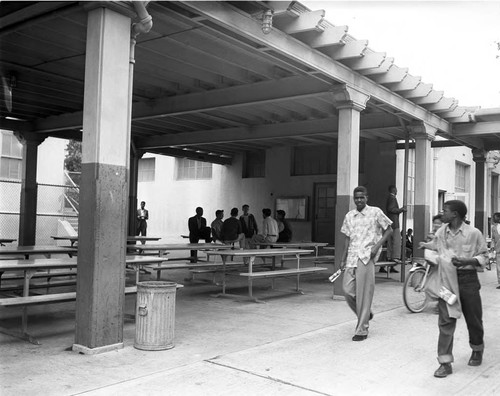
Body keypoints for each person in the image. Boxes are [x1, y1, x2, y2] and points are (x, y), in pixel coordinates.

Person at [419, 200, 487, 378]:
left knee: (473, 319)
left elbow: (484, 256)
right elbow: (436, 246)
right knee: (446, 321)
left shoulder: (474, 233)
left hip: (468, 281)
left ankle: (477, 349)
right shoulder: (442, 232)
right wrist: (426, 246)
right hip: (447, 282)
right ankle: (445, 362)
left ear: (455, 214)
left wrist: (467, 261)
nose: (442, 214)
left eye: (445, 211)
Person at [340, 186, 392, 341]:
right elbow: (347, 238)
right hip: (351, 257)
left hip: (366, 257)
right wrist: (343, 258)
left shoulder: (375, 212)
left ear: (367, 198)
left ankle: (362, 330)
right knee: (347, 290)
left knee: (364, 294)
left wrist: (376, 246)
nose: (359, 200)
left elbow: (389, 230)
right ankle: (366, 314)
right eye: (356, 198)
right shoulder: (350, 216)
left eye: (362, 197)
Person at [383, 185, 406, 273]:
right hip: (394, 223)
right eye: (396, 190)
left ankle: (389, 257)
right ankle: (395, 257)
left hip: (390, 223)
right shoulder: (392, 198)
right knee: (396, 241)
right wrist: (400, 210)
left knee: (390, 242)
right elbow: (391, 209)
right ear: (394, 190)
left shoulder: (390, 198)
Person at [491, 212, 500, 289]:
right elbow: (493, 238)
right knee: (499, 267)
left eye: (495, 217)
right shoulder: (494, 227)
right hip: (498, 250)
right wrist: (492, 247)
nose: (493, 219)